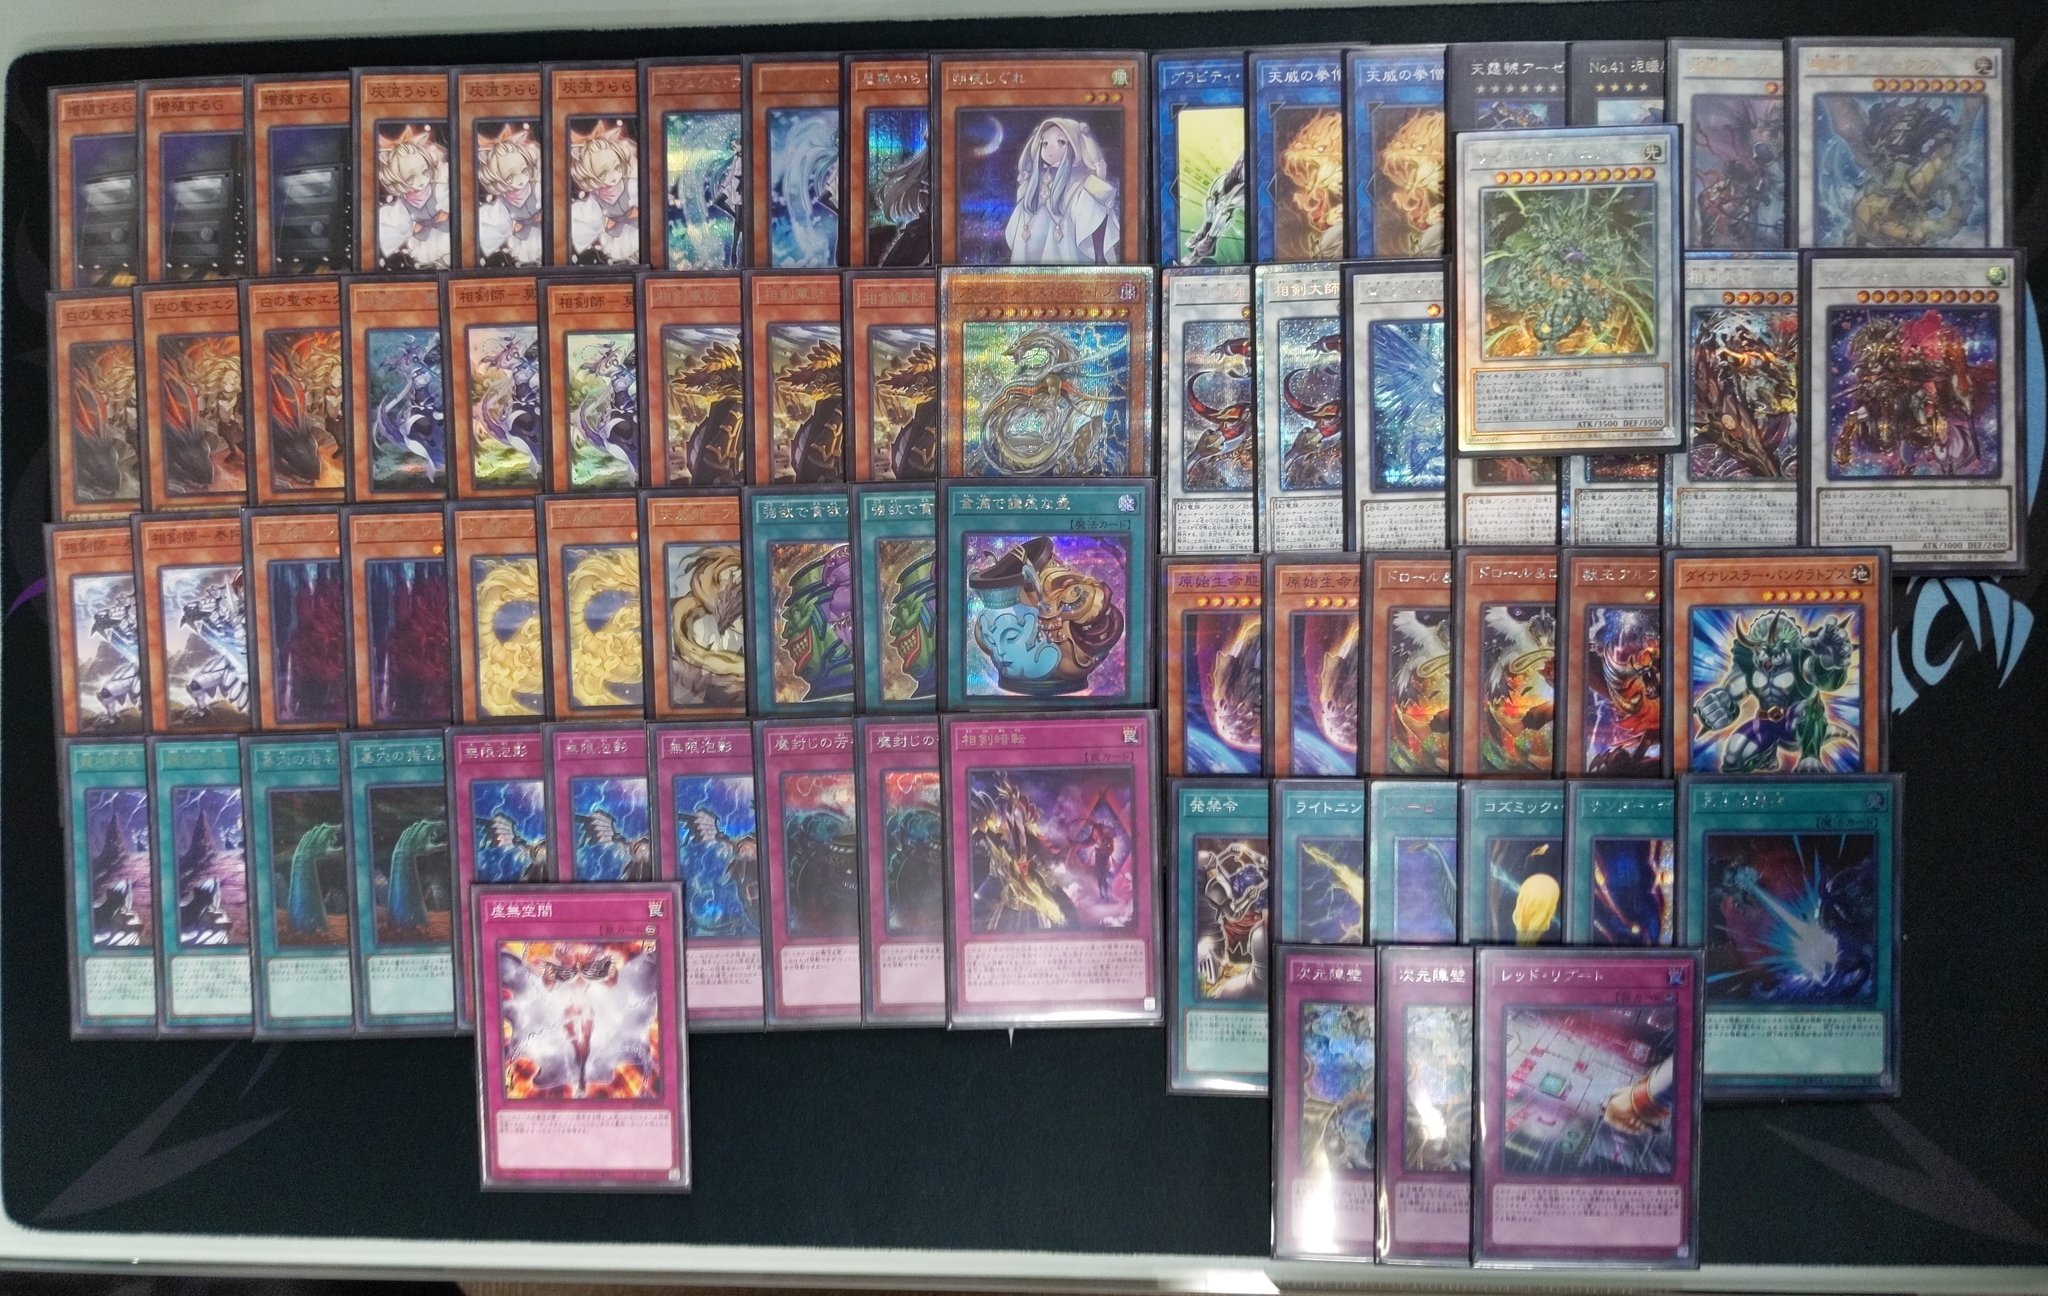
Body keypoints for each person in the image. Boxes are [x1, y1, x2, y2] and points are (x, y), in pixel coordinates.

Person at [1005, 118, 1120, 264]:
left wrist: (1098, 184)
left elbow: (1091, 217)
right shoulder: (1033, 181)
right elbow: (1017, 222)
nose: (1049, 149)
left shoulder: (1078, 182)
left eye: (1061, 142)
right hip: (1030, 250)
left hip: (1064, 251)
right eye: (1045, 143)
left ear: (1074, 145)